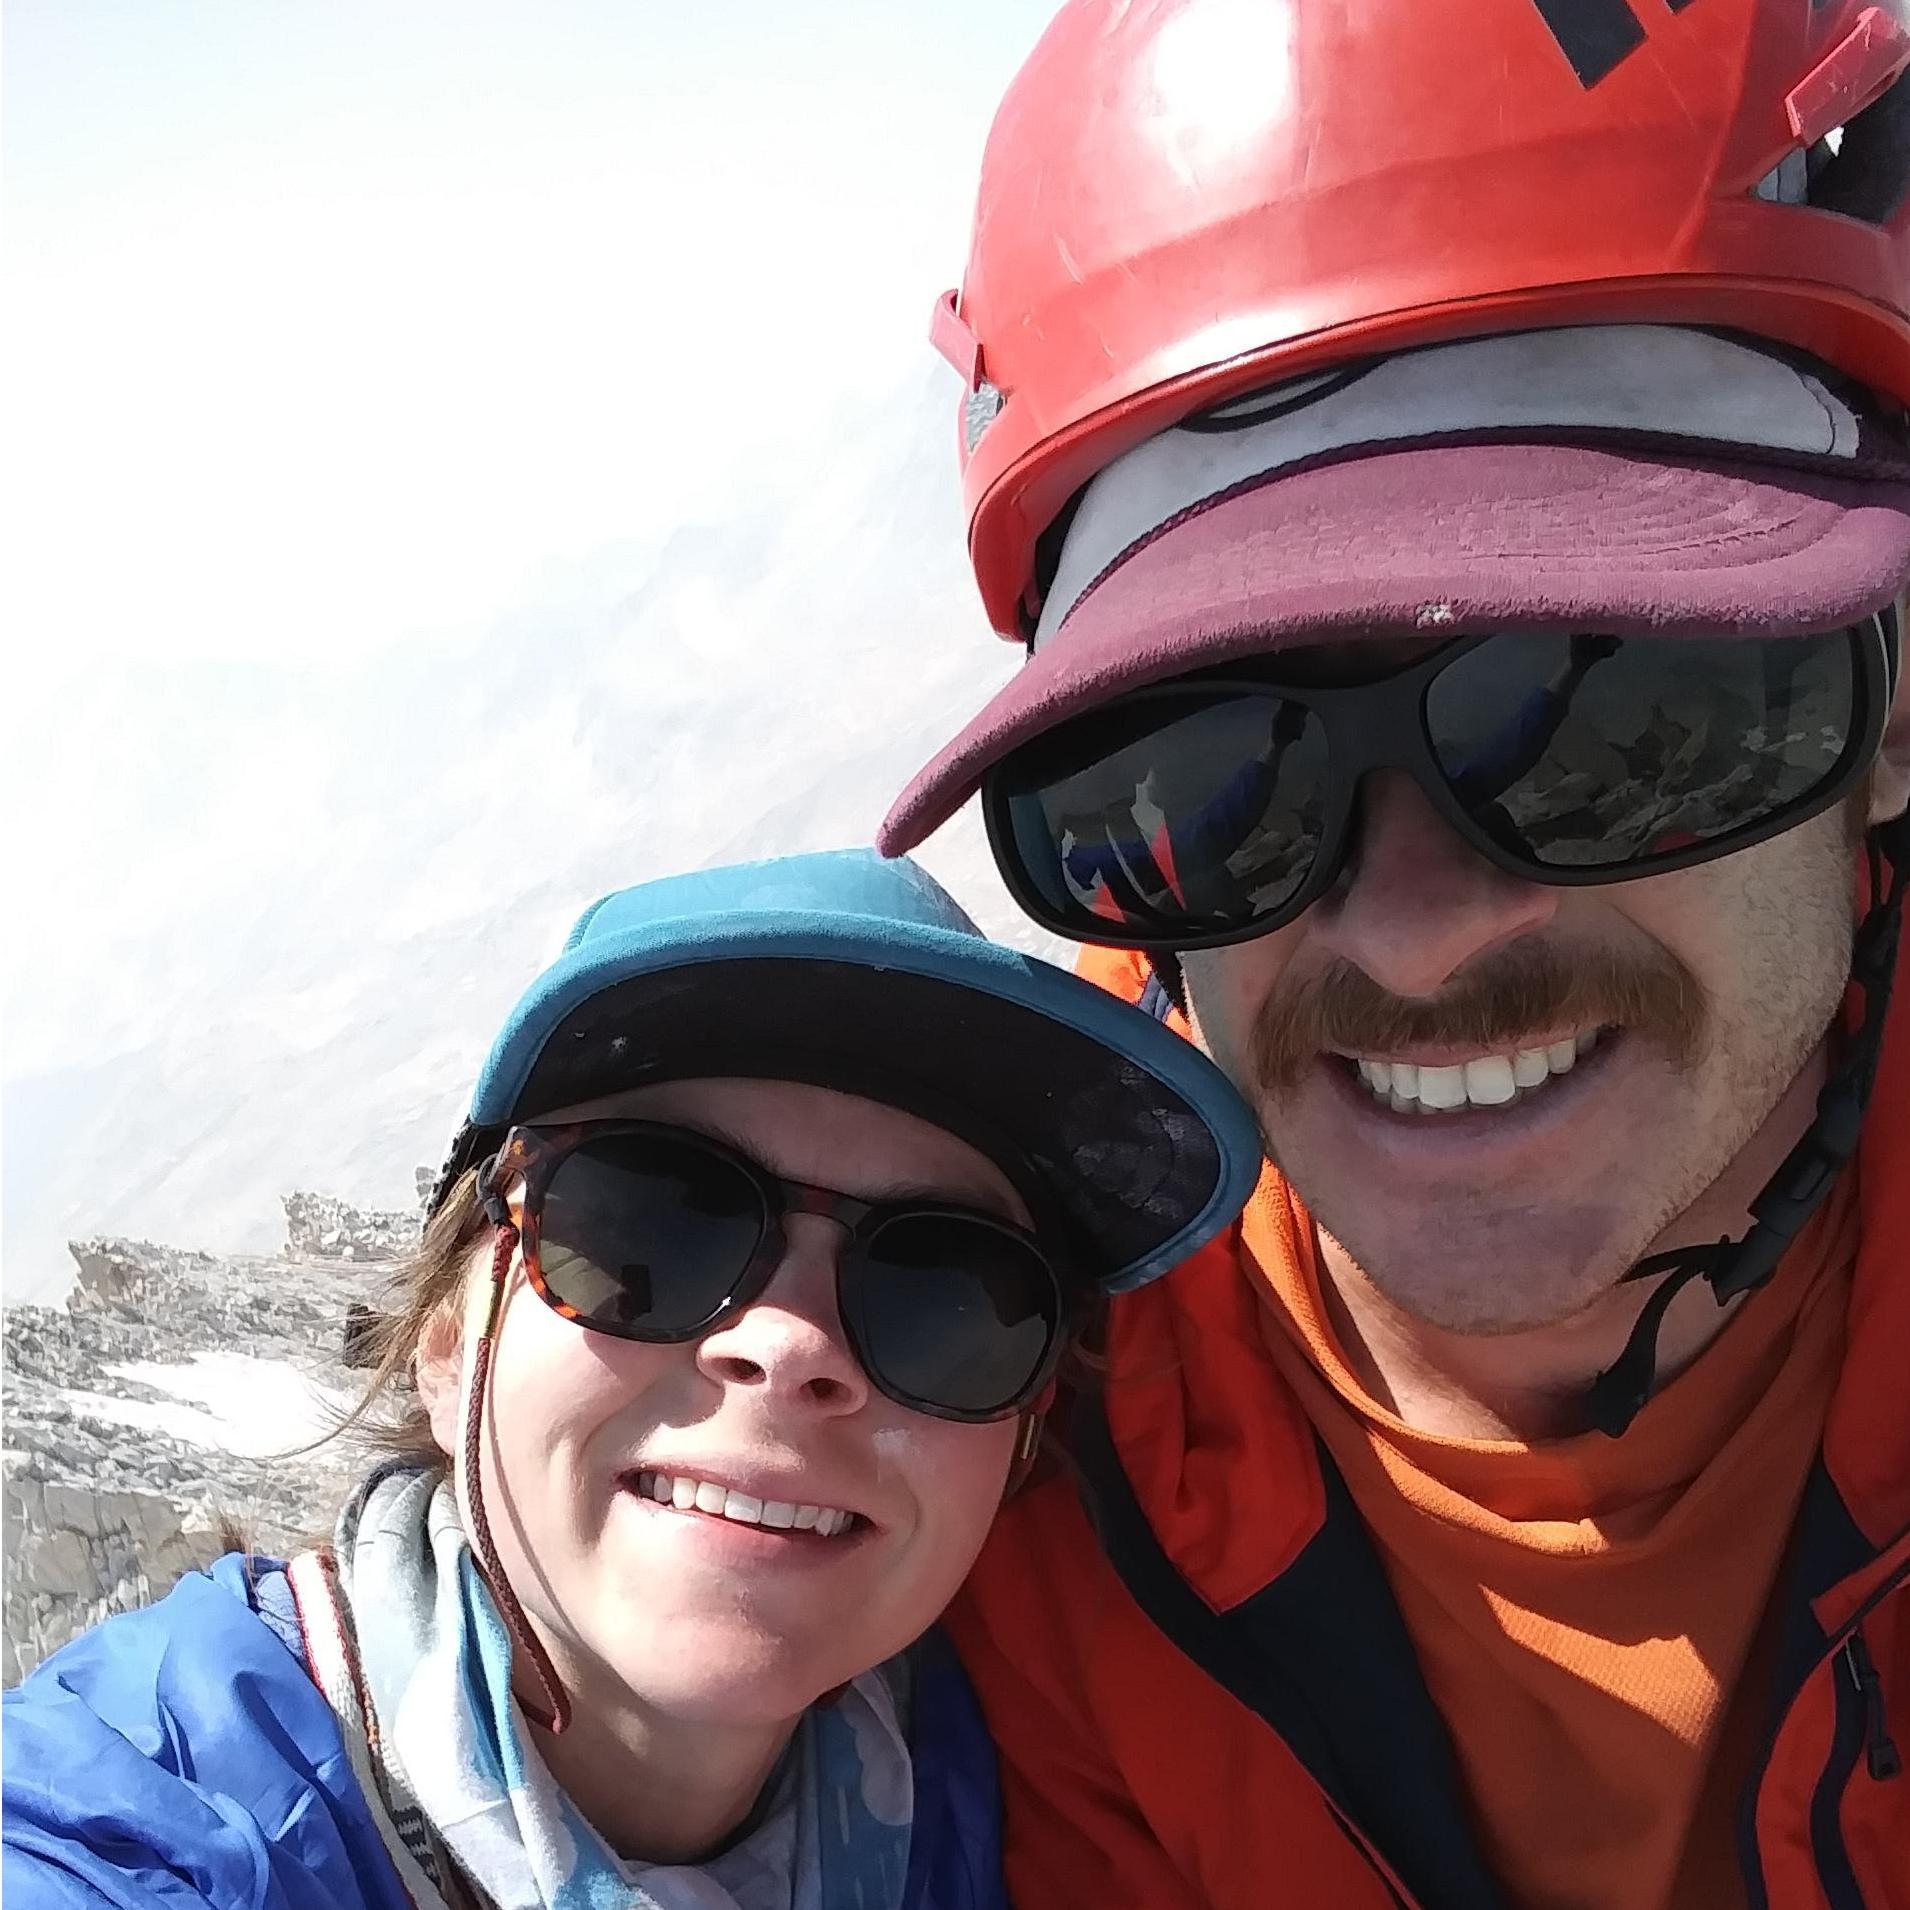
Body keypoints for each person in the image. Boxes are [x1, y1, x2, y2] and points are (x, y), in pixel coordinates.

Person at [879, 2, 1910, 1904]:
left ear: (1892, 707)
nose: (1418, 934)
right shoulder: (985, 1442)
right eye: (1211, 787)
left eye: (1610, 714)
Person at [1, 849, 1262, 1910]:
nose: (789, 1344)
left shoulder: (981, 1787)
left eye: (950, 1290)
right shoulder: (145, 1828)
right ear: (448, 1340)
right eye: (650, 1225)